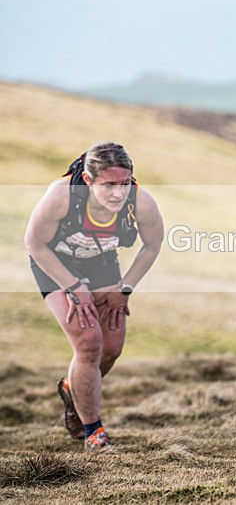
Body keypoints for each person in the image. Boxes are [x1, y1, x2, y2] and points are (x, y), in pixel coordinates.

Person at [25, 142, 164, 450]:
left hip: (101, 264)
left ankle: (73, 387)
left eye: (124, 183)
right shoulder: (61, 196)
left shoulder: (141, 203)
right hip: (55, 264)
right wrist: (74, 287)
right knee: (89, 342)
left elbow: (152, 245)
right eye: (109, 185)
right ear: (88, 182)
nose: (118, 193)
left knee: (111, 347)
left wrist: (123, 289)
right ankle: (94, 432)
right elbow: (34, 243)